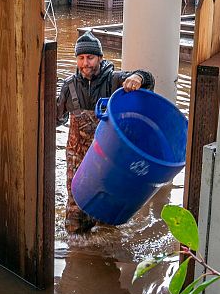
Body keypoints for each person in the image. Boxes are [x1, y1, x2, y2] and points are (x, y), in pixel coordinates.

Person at [57, 31, 154, 234]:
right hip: (77, 159)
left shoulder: (116, 81)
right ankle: (76, 246)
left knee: (107, 218)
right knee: (75, 217)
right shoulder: (68, 86)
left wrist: (138, 77)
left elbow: (148, 80)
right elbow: (57, 119)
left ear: (100, 58)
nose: (86, 63)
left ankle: (105, 236)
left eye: (90, 58)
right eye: (81, 58)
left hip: (109, 158)